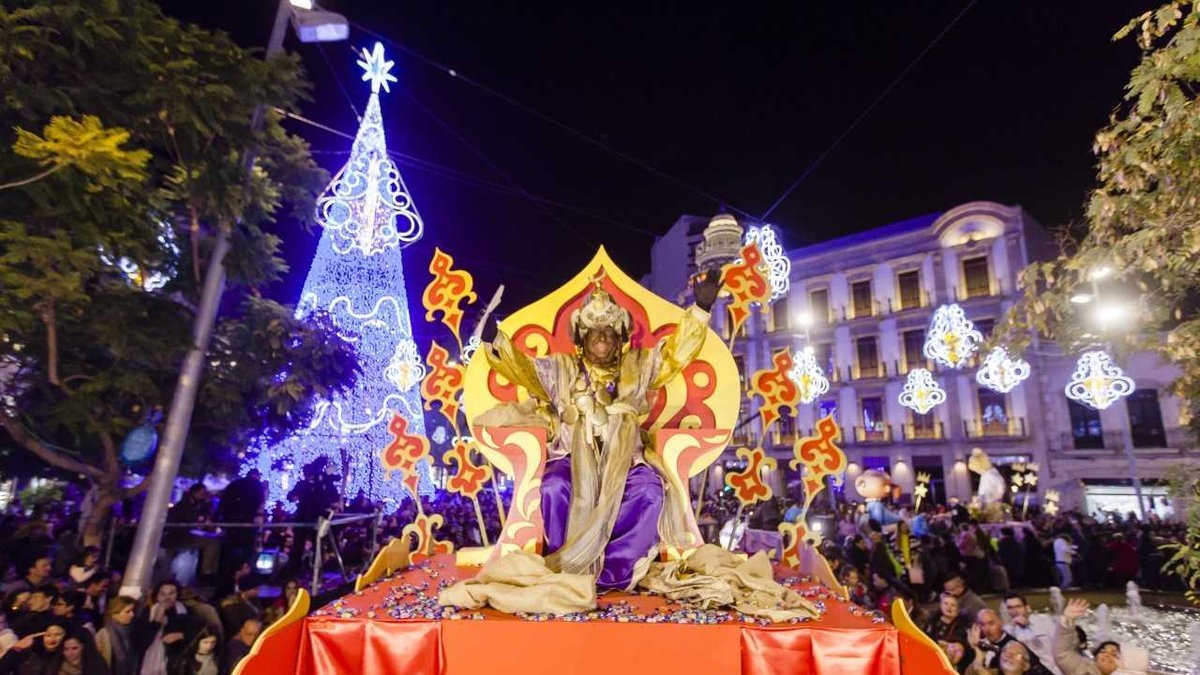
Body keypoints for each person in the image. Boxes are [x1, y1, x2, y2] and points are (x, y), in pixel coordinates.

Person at [474, 271, 721, 590]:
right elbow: (521, 368)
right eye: (593, 332)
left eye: (608, 332)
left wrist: (700, 309)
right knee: (554, 487)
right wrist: (492, 337)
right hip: (570, 459)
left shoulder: (639, 365)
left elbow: (675, 355)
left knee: (650, 491)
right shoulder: (560, 369)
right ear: (581, 337)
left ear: (620, 337)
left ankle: (617, 573)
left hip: (627, 461)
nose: (602, 338)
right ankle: (570, 568)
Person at [1053, 599, 1122, 675]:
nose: (1106, 655)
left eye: (1114, 654)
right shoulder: (1082, 668)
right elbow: (1063, 652)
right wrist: (1067, 620)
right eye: (1102, 651)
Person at [972, 609, 1051, 675]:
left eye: (991, 623)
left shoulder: (1014, 646)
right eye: (982, 624)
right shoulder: (982, 646)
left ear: (1001, 622)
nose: (986, 629)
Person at [1003, 593, 1059, 675]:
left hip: (1054, 669)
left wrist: (1029, 625)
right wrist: (1012, 626)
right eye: (1010, 608)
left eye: (1018, 606)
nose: (1014, 611)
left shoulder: (1044, 620)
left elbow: (1059, 644)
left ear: (1027, 607)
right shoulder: (1008, 629)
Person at [94, 597, 143, 675]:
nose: (132, 614)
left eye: (133, 611)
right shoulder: (103, 635)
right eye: (128, 611)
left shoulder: (132, 632)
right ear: (114, 614)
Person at [0, 620, 67, 675]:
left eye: (57, 635)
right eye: (48, 635)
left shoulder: (65, 657)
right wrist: (17, 647)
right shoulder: (29, 654)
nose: (52, 639)